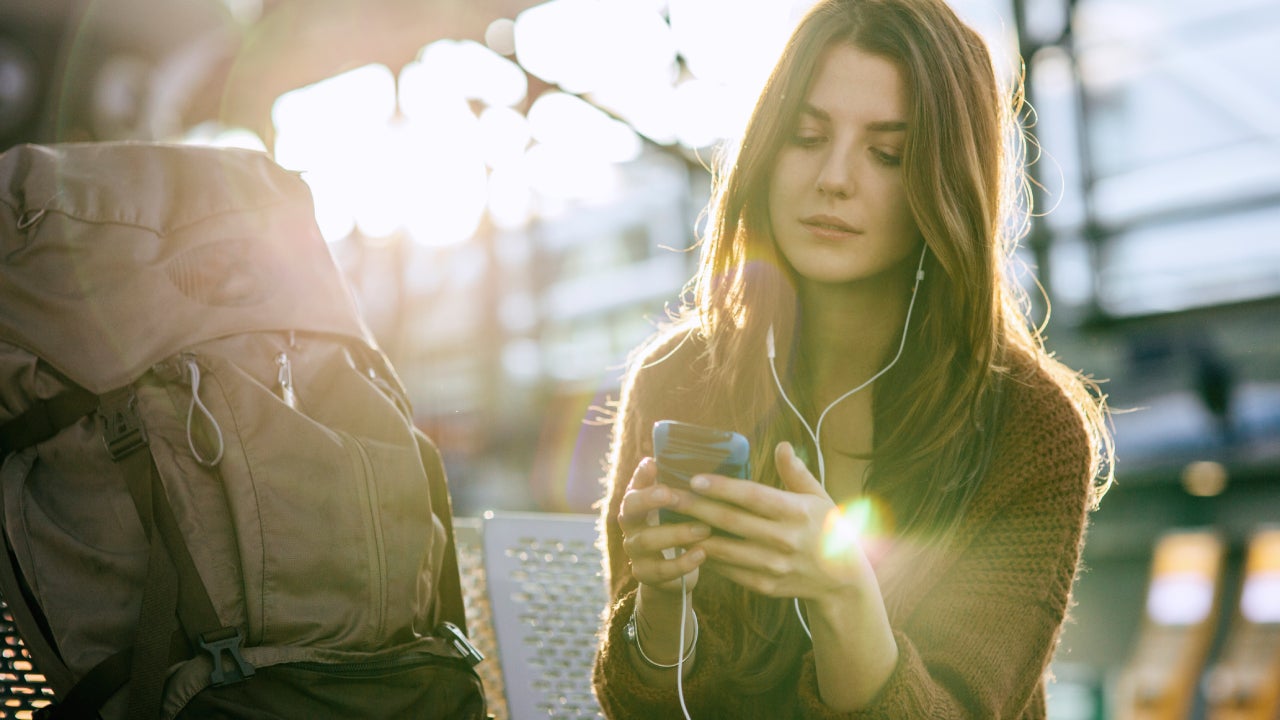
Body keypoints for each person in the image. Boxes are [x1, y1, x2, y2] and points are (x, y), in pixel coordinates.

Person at [590, 0, 1114, 717]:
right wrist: (659, 599)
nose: (834, 177)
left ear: (945, 180)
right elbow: (637, 705)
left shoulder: (1029, 428)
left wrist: (843, 596)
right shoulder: (676, 378)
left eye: (886, 153)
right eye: (806, 136)